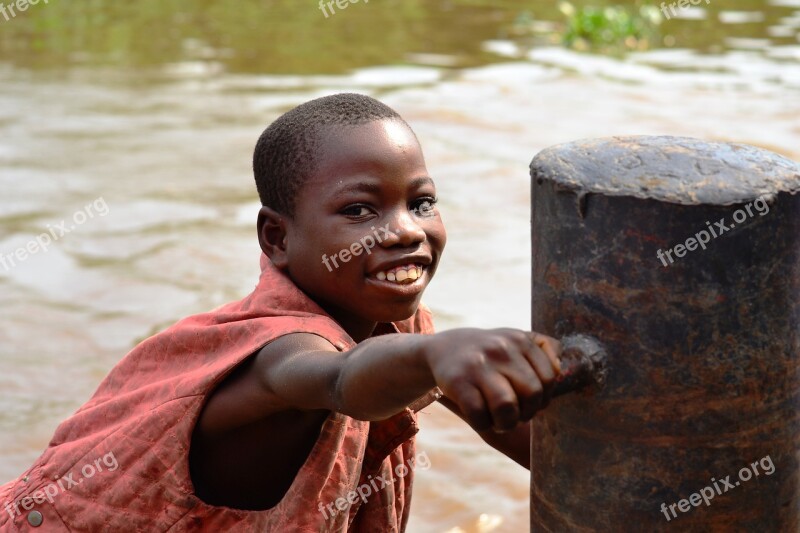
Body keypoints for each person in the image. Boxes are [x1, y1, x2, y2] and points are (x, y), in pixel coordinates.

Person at [0, 93, 561, 532]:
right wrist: (437, 354)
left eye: (421, 203)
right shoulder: (278, 353)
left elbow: (549, 452)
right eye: (360, 210)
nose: (407, 231)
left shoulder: (404, 333)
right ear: (277, 237)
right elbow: (343, 379)